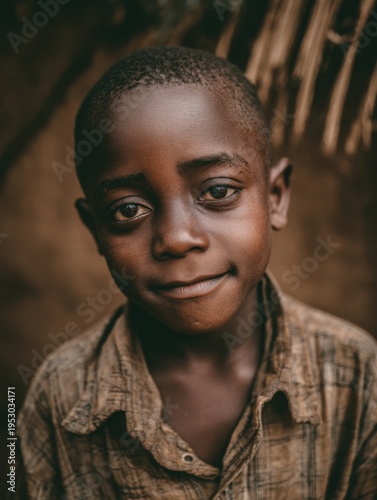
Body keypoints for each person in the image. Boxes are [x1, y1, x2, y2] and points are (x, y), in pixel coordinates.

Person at [14, 46, 377, 499]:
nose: (177, 238)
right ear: (96, 230)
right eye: (128, 209)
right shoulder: (56, 397)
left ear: (276, 196)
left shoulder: (359, 375)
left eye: (218, 190)